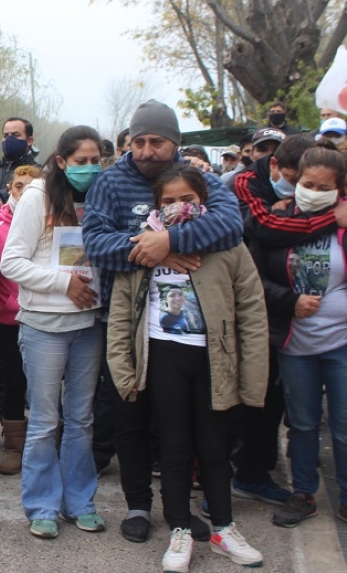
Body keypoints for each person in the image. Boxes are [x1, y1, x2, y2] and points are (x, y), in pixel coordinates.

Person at [83, 100, 244, 545]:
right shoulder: (110, 183)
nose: (147, 151)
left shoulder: (200, 181)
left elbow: (231, 225)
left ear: (175, 141)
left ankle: (179, 509)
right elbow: (96, 244)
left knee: (177, 427)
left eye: (156, 141)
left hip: (187, 330)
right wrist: (158, 252)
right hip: (127, 322)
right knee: (130, 416)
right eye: (138, 142)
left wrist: (169, 238)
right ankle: (137, 504)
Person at [107, 165, 267, 571]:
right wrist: (124, 369)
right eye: (169, 201)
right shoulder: (142, 247)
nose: (179, 207)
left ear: (203, 201)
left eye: (188, 200)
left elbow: (251, 310)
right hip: (164, 358)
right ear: (157, 205)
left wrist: (253, 375)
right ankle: (179, 529)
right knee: (175, 448)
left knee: (214, 449)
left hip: (215, 360)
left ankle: (223, 529)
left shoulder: (228, 245)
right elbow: (122, 312)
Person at [0, 125, 106, 539]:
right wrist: (63, 284)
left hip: (89, 326)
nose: (90, 168)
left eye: (96, 161)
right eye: (81, 162)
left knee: (81, 420)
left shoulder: (101, 197)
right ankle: (42, 504)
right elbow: (12, 262)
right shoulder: (37, 197)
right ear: (62, 161)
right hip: (44, 325)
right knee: (45, 421)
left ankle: (80, 501)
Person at [231, 133, 342, 506]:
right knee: (283, 415)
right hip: (280, 334)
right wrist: (289, 301)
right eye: (302, 184)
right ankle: (289, 487)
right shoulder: (266, 206)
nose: (308, 191)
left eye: (319, 187)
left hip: (328, 341)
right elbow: (255, 264)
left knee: (329, 423)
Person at [0, 166, 39, 474]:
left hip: (44, 315)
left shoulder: (51, 222)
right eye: (18, 187)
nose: (23, 193)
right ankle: (14, 445)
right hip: (6, 317)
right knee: (13, 381)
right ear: (9, 189)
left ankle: (44, 444)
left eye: (31, 187)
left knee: (44, 384)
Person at [0, 117, 39, 212]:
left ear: (29, 140)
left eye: (15, 135)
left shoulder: (38, 173)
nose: (9, 139)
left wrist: (0, 195)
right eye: (6, 135)